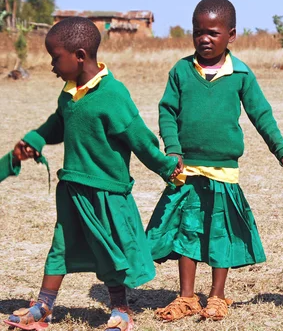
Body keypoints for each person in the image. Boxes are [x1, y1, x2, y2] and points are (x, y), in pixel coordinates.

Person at [4, 17, 180, 331]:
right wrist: (35, 139)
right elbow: (59, 123)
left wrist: (166, 166)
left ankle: (121, 309)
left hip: (107, 191)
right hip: (72, 187)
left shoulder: (113, 95)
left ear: (80, 55)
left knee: (109, 250)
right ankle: (44, 305)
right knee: (60, 247)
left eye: (55, 58)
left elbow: (140, 139)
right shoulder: (69, 93)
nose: (52, 65)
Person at [146, 0, 283, 322]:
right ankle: (187, 297)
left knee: (221, 232)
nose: (204, 39)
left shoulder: (241, 74)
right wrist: (172, 150)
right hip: (186, 168)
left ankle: (217, 297)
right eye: (198, 32)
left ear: (230, 35)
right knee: (185, 232)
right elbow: (167, 111)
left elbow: (261, 114)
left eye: (213, 33)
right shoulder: (180, 71)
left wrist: (281, 149)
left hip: (223, 171)